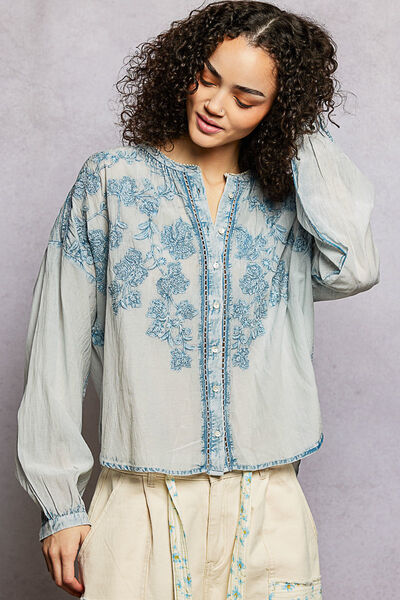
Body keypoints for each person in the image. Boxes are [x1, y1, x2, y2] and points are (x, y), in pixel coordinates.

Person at [14, 1, 380, 599]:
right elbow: (56, 345)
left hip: (270, 503)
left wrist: (298, 125)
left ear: (278, 107)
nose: (215, 105)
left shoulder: (286, 202)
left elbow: (356, 267)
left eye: (247, 98)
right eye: (207, 78)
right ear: (182, 67)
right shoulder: (111, 183)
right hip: (139, 498)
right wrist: (60, 504)